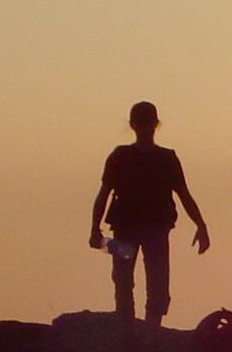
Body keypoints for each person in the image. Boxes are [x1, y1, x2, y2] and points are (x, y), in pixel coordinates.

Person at [89, 101, 209, 336]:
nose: (144, 128)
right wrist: (94, 228)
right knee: (124, 284)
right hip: (127, 229)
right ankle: (130, 335)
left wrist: (201, 225)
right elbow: (103, 194)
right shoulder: (121, 156)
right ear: (136, 125)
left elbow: (184, 194)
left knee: (155, 285)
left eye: (146, 123)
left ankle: (149, 336)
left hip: (154, 230)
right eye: (142, 123)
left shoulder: (166, 158)